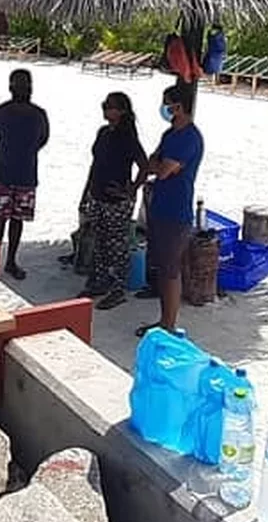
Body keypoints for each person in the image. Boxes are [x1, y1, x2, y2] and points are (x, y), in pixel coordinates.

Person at [137, 83, 205, 338]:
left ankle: (168, 324)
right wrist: (157, 166)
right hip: (160, 205)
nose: (164, 108)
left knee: (170, 268)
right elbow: (153, 162)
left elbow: (162, 168)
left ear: (178, 106)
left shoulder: (189, 137)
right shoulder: (170, 135)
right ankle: (164, 320)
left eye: (167, 103)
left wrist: (157, 166)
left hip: (176, 210)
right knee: (163, 266)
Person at [73, 92, 148, 310]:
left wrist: (132, 189)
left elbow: (144, 165)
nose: (106, 110)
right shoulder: (103, 133)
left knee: (117, 245)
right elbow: (95, 164)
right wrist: (86, 192)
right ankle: (100, 281)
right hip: (97, 194)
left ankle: (118, 289)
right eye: (104, 106)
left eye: (110, 106)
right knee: (99, 241)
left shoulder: (128, 138)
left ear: (122, 111)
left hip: (116, 200)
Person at [0, 68, 50, 281]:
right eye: (19, 85)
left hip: (24, 175)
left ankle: (10, 261)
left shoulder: (37, 114)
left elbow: (43, 138)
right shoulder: (1, 112)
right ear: (11, 87)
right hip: (6, 174)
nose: (23, 89)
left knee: (16, 220)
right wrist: (8, 153)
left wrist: (6, 151)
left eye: (25, 85)